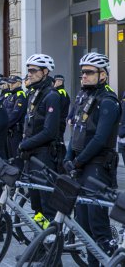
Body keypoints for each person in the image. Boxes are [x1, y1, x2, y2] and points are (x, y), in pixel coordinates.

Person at [64, 52, 121, 267]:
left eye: (89, 73)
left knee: (97, 223)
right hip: (80, 164)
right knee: (81, 222)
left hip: (97, 166)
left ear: (103, 75)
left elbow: (99, 138)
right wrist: (69, 157)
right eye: (82, 73)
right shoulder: (83, 96)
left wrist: (78, 162)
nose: (84, 77)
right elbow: (76, 130)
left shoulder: (108, 100)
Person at [18, 53, 60, 220]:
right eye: (28, 70)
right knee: (36, 204)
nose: (29, 73)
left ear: (45, 72)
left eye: (34, 70)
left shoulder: (52, 96)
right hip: (31, 155)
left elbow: (49, 131)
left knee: (46, 202)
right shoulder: (34, 93)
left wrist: (25, 144)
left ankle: (52, 240)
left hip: (44, 155)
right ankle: (41, 237)